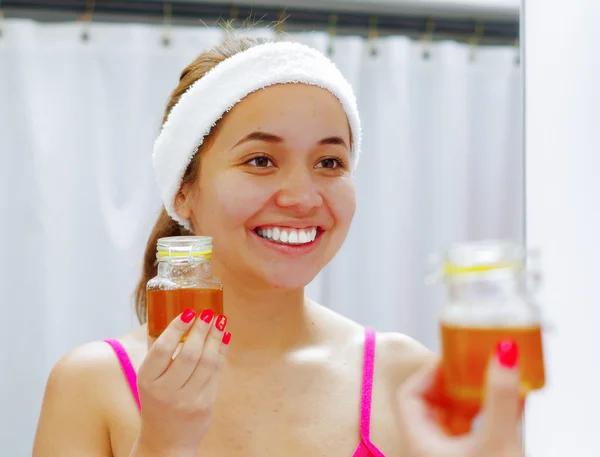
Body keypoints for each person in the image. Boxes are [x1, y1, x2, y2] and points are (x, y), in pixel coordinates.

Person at [32, 35, 526, 457]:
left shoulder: (406, 377)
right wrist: (162, 444)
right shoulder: (94, 385)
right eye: (261, 160)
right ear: (183, 190)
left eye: (330, 162)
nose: (302, 197)